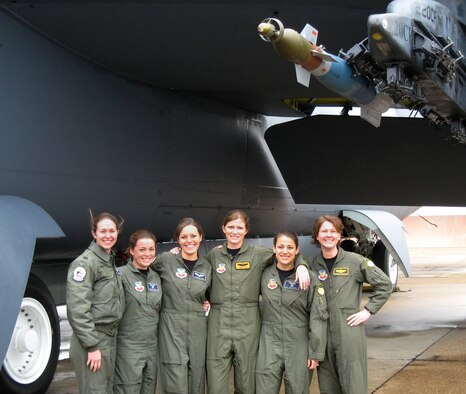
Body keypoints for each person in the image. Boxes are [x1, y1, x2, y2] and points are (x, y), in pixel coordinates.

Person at [205, 209, 310, 394]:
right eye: (231, 227)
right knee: (216, 384)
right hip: (218, 327)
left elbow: (285, 253)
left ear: (246, 230)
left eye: (239, 227)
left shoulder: (259, 254)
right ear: (223, 229)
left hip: (248, 327)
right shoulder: (214, 255)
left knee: (247, 384)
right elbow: (198, 272)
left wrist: (301, 264)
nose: (235, 231)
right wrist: (176, 253)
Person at [309, 215, 392, 394]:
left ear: (340, 235)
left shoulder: (355, 261)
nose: (328, 235)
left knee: (354, 384)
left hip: (348, 331)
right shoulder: (312, 265)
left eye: (333, 231)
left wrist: (368, 311)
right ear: (317, 236)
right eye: (324, 231)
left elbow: (385, 284)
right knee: (328, 386)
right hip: (322, 335)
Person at [255, 231, 328, 394]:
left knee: (298, 389)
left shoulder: (309, 278)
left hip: (298, 344)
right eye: (280, 246)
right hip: (269, 342)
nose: (285, 251)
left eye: (290, 247)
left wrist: (315, 351)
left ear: (297, 250)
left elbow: (318, 316)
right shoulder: (264, 275)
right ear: (274, 249)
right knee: (263, 389)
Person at [66, 212, 125, 394]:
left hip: (108, 340)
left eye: (112, 231)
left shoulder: (107, 261)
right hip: (93, 341)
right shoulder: (85, 264)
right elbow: (78, 309)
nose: (108, 235)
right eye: (103, 231)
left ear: (117, 232)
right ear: (94, 233)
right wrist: (92, 346)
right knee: (95, 390)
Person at [153, 217, 211, 394]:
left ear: (200, 237)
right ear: (178, 239)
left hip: (198, 327)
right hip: (171, 327)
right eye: (184, 237)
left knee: (197, 375)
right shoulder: (165, 261)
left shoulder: (207, 266)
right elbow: (143, 273)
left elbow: (214, 293)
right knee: (174, 377)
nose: (189, 240)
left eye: (193, 235)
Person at [114, 230, 162, 394]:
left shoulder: (156, 277)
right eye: (142, 249)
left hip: (152, 348)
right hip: (128, 348)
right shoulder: (119, 276)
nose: (147, 254)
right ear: (132, 251)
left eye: (151, 249)